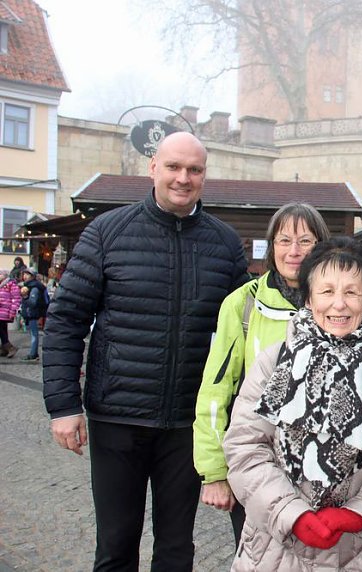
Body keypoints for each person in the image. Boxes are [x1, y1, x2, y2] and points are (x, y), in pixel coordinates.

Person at [42, 131, 248, 571]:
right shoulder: (107, 232)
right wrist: (63, 405)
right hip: (117, 416)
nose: (183, 178)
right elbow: (66, 319)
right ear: (152, 167)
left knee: (176, 549)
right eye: (174, 166)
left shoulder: (225, 244)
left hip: (186, 424)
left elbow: (240, 337)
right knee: (116, 546)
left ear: (204, 176)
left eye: (194, 169)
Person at [224, 237, 362, 571]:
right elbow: (246, 447)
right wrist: (292, 514)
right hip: (276, 550)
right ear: (308, 298)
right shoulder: (274, 362)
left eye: (351, 292)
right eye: (327, 291)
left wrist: (358, 512)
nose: (339, 304)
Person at [194, 202, 331, 548]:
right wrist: (214, 472)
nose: (294, 251)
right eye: (284, 241)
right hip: (259, 465)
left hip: (325, 472)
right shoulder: (243, 304)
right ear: (271, 247)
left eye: (305, 241)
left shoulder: (340, 303)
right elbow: (216, 390)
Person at [19, 267, 48, 362]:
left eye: (27, 274)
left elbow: (33, 302)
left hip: (33, 314)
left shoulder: (34, 287)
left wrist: (25, 296)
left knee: (34, 334)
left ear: (32, 276)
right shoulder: (29, 285)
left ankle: (33, 354)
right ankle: (33, 353)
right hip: (30, 313)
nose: (24, 276)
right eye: (24, 274)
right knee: (33, 333)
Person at [0, 269, 21, 358]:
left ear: (5, 276)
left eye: (0, 274)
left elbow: (16, 298)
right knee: (3, 329)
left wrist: (13, 311)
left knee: (0, 328)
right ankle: (4, 349)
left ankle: (9, 347)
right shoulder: (1, 285)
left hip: (5, 311)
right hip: (1, 311)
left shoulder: (11, 284)